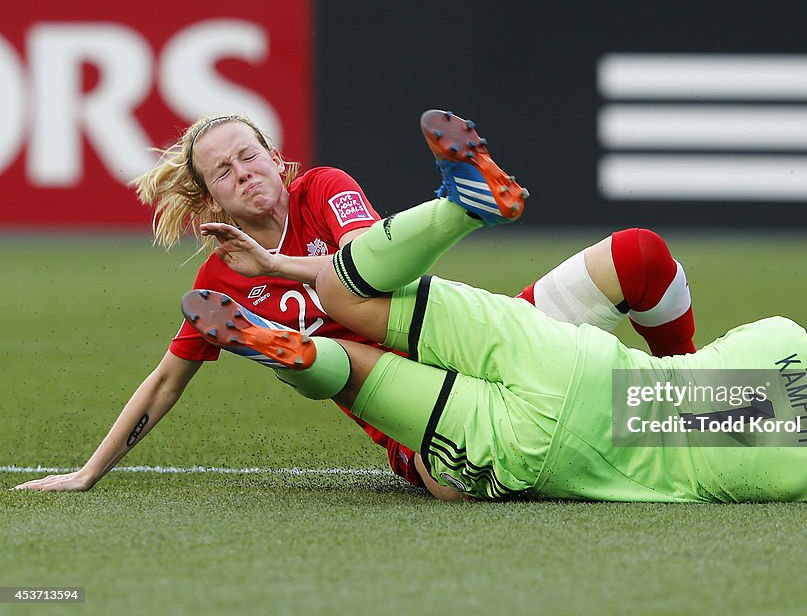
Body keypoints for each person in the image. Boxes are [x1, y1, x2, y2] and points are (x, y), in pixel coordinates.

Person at [179, 113, 807, 503]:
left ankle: (461, 206)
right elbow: (693, 413)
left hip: (558, 357)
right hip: (550, 445)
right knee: (358, 366)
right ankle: (293, 351)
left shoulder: (785, 335)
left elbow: (691, 382)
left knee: (351, 302)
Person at [15, 111, 696, 493]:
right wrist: (87, 472)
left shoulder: (322, 189)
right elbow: (165, 381)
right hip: (419, 412)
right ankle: (309, 349)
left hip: (484, 338)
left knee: (638, 253)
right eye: (223, 171)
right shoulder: (219, 287)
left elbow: (364, 267)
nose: (243, 172)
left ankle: (692, 386)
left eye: (249, 156)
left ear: (274, 156)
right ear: (209, 200)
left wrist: (279, 264)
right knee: (453, 483)